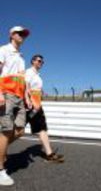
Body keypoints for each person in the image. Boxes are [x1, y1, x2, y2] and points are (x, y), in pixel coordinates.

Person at [0, 26, 31, 186]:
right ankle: (0, 171)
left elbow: (22, 79)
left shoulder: (21, 57)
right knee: (6, 130)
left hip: (19, 96)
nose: (23, 36)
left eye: (24, 34)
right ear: (12, 35)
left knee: (19, 131)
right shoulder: (4, 50)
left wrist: (26, 97)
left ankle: (0, 149)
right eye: (20, 33)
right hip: (6, 93)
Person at [25, 54, 64, 163]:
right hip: (30, 105)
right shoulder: (29, 72)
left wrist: (43, 93)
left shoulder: (38, 75)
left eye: (42, 62)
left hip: (37, 105)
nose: (40, 63)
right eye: (39, 61)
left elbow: (36, 88)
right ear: (32, 61)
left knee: (42, 128)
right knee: (17, 131)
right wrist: (31, 101)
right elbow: (26, 86)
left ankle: (49, 154)